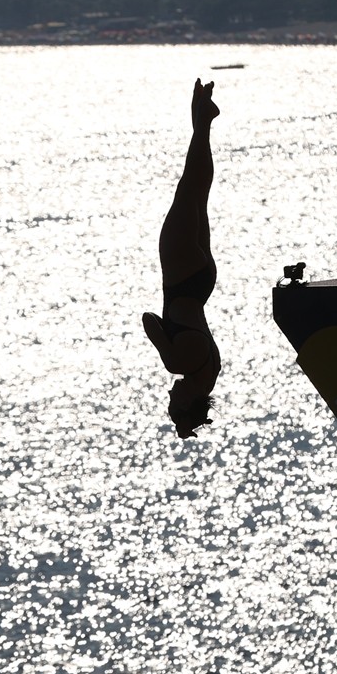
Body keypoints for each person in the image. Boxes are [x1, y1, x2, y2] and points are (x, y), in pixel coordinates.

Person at [143, 79, 221, 439]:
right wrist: (165, 349)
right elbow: (149, 320)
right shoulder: (179, 365)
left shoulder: (209, 373)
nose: (169, 394)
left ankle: (202, 116)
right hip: (180, 274)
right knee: (187, 189)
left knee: (197, 193)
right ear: (186, 402)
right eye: (173, 404)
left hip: (203, 280)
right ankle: (202, 121)